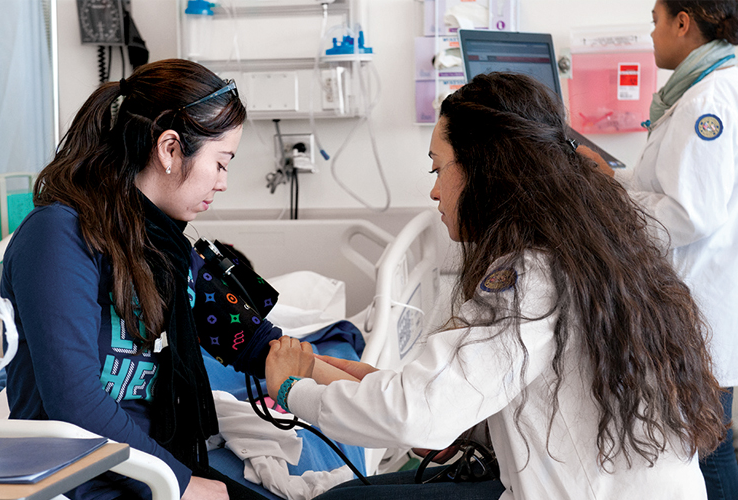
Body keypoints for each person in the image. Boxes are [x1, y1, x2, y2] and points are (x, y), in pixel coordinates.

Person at [263, 72, 727, 500]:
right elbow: (545, 399)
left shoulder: (530, 279)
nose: (434, 191)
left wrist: (290, 391)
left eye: (437, 168)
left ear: (485, 169)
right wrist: (464, 429)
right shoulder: (593, 255)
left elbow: (415, 413)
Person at [0, 59, 268, 500]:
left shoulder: (162, 245)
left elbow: (248, 338)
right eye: (221, 163)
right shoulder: (58, 237)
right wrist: (179, 484)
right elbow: (75, 402)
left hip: (151, 467)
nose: (223, 182)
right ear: (169, 149)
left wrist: (357, 385)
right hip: (85, 482)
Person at [580, 2, 738, 497]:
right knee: (707, 440)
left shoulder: (707, 99)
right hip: (707, 294)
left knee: (705, 447)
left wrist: (614, 194)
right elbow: (674, 185)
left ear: (683, 22)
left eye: (655, 20)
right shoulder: (707, 86)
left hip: (701, 297)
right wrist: (616, 179)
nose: (651, 34)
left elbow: (688, 212)